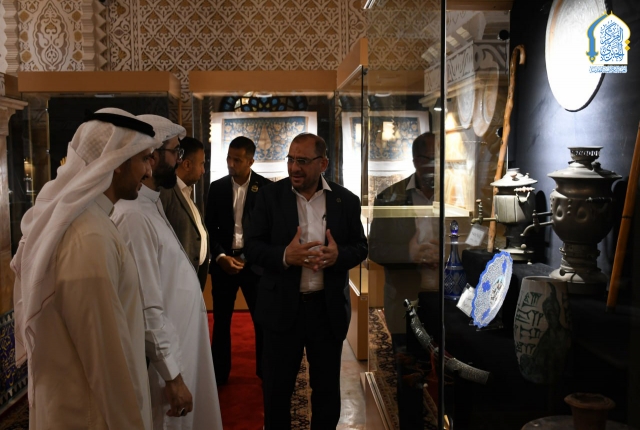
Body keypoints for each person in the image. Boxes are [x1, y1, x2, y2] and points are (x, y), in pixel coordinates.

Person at [11, 108, 161, 429]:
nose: (148, 171)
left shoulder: (92, 222)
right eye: (143, 159)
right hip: (89, 414)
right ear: (117, 162)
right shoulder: (87, 236)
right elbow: (106, 360)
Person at [245, 132, 368, 429]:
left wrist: (338, 255)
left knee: (326, 394)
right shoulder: (269, 197)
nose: (294, 167)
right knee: (277, 393)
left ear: (322, 163)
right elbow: (252, 247)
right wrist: (285, 256)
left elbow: (361, 247)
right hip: (281, 310)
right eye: (290, 159)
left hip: (326, 312)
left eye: (302, 161)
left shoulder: (345, 201)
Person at [111, 115, 223, 430]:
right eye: (176, 151)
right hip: (165, 364)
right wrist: (172, 375)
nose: (179, 160)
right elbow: (147, 306)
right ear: (153, 156)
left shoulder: (150, 205)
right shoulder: (133, 216)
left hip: (181, 348)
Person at [204, 136, 271, 385]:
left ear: (251, 161)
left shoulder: (265, 189)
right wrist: (220, 256)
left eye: (237, 160)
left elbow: (268, 232)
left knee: (261, 321)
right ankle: (219, 375)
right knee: (221, 321)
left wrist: (246, 256)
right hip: (223, 264)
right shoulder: (217, 187)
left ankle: (265, 372)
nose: (231, 164)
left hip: (254, 266)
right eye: (229, 158)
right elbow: (209, 228)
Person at [369, 132, 439, 337]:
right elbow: (374, 249)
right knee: (405, 354)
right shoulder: (388, 197)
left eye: (441, 159)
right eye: (432, 159)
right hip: (404, 297)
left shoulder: (456, 195)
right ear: (417, 161)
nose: (437, 166)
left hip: (448, 298)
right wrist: (409, 253)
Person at [160, 136, 210, 291]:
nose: (203, 170)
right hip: (175, 284)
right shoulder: (166, 192)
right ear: (187, 164)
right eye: (201, 164)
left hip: (191, 283)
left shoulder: (186, 192)